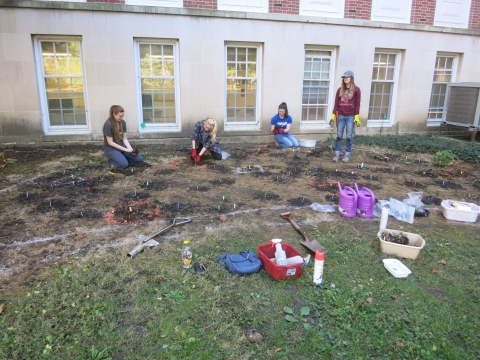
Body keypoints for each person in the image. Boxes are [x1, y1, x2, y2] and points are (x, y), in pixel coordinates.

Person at [330, 70, 361, 163]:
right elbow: (336, 104)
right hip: (341, 115)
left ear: (351, 78)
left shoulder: (356, 90)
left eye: (347, 77)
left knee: (348, 136)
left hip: (350, 116)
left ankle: (347, 154)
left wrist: (356, 116)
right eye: (344, 78)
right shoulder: (340, 90)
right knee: (339, 136)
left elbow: (357, 104)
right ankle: (337, 154)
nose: (345, 79)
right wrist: (333, 114)